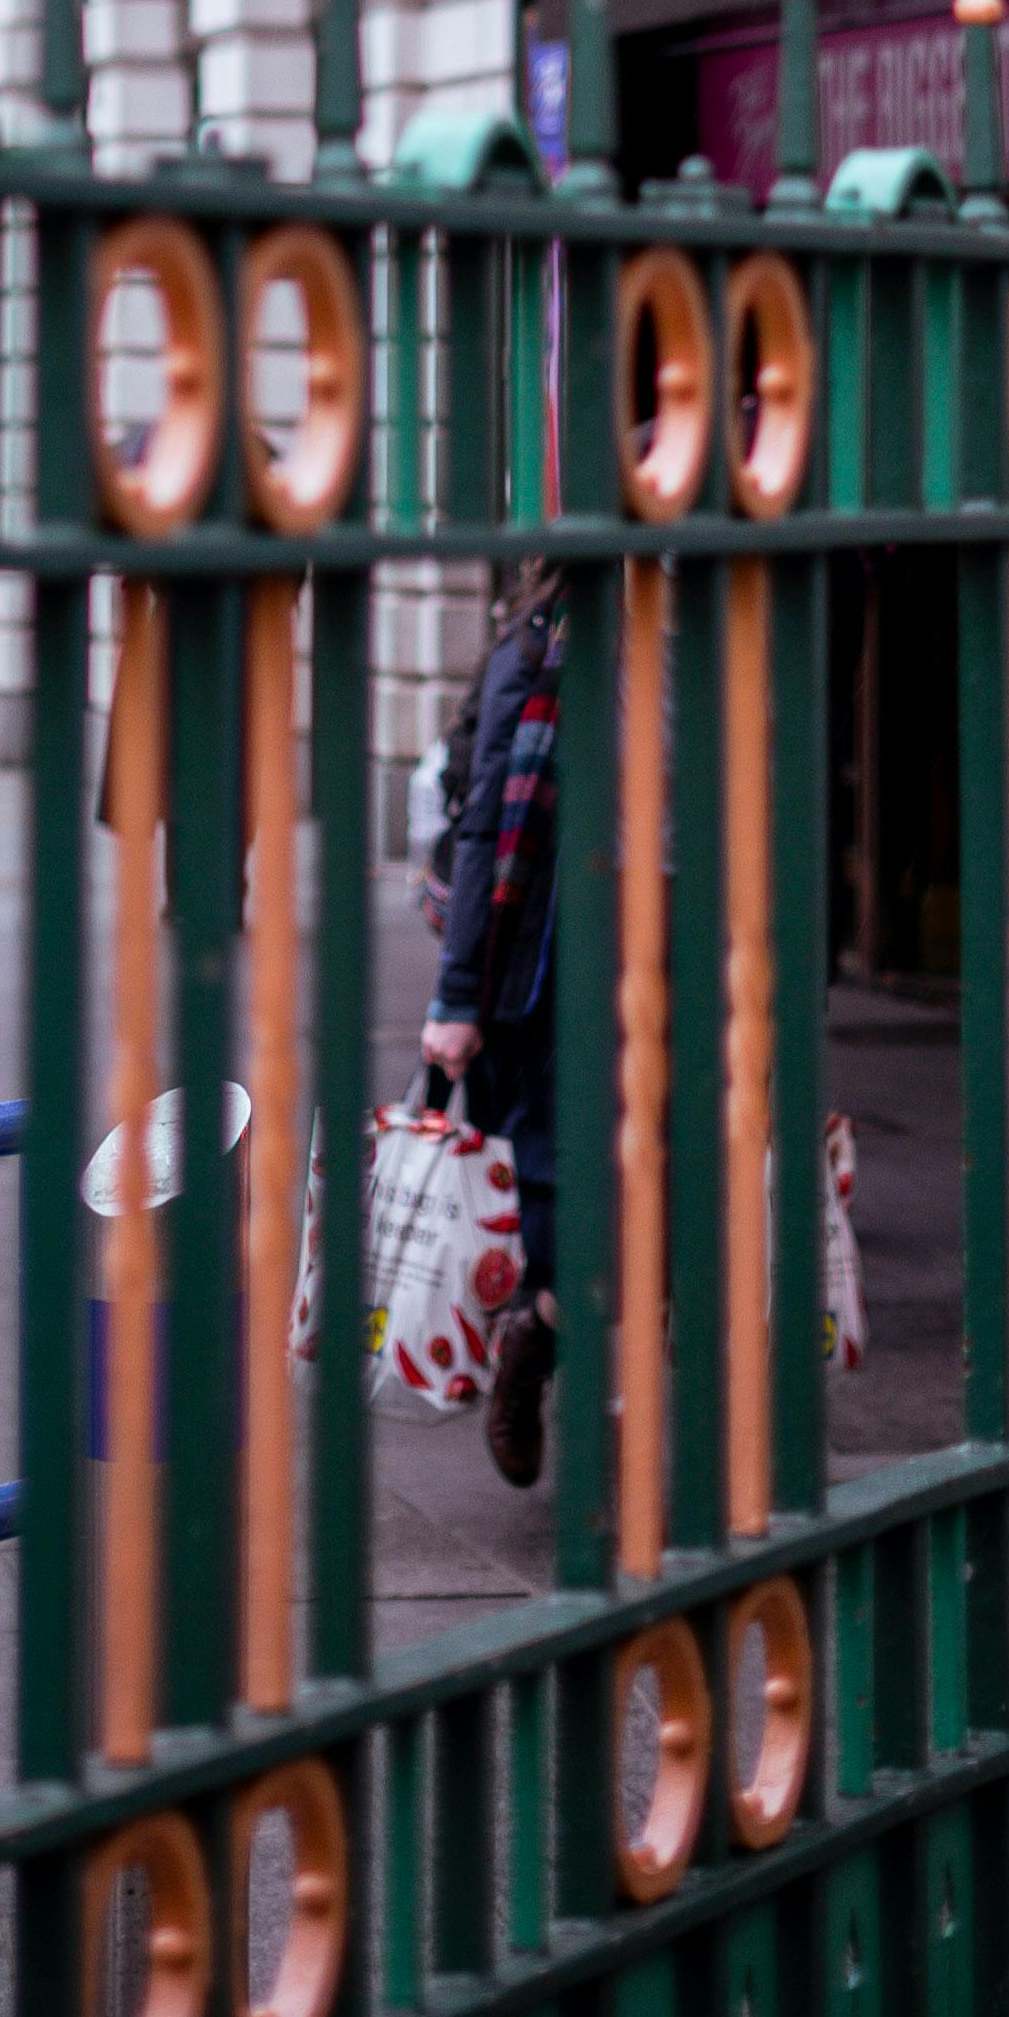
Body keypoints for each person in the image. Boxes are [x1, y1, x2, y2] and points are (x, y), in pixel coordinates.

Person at [422, 560, 566, 1488]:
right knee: (557, 1191)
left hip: (683, 958)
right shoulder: (540, 642)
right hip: (549, 964)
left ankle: (541, 1329)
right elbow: (483, 821)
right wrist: (458, 995)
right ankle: (536, 1337)